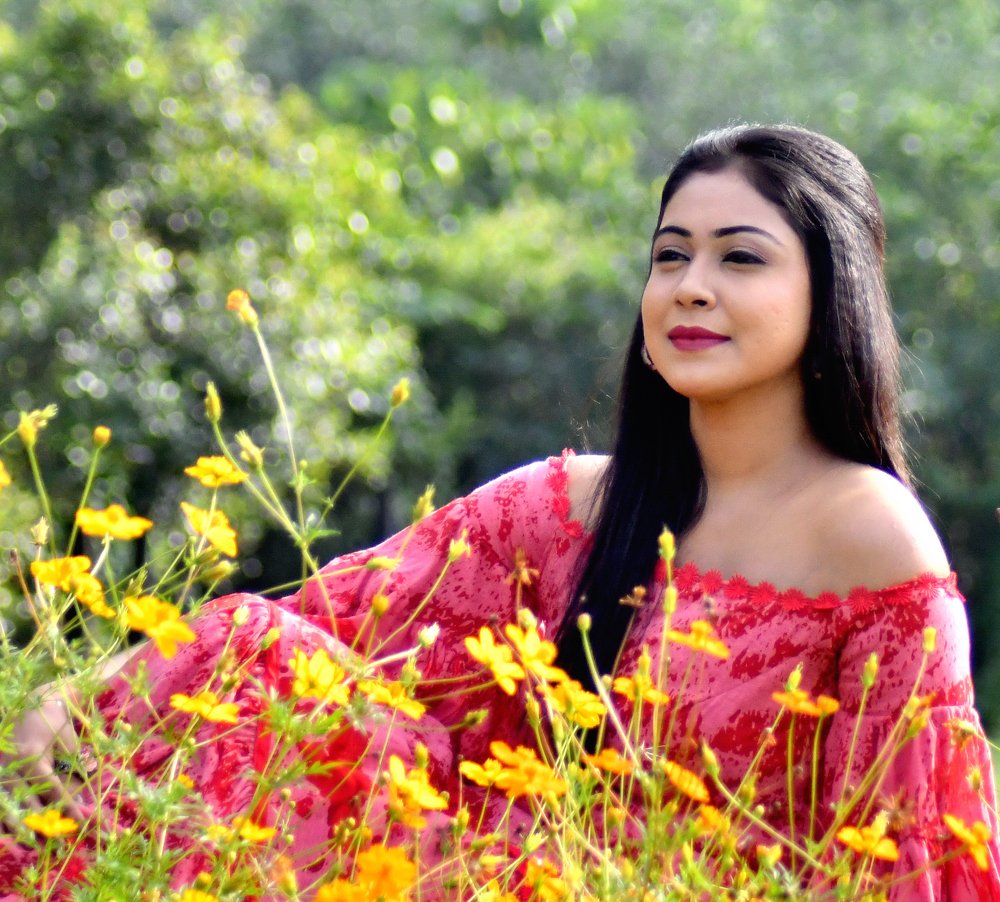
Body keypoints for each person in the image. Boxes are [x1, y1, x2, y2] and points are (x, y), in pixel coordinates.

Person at [2, 124, 998, 900]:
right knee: (247, 647)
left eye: (740, 258)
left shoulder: (868, 532)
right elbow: (319, 623)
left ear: (832, 291)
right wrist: (73, 697)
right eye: (669, 256)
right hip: (489, 872)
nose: (691, 287)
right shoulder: (568, 505)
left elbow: (915, 850)